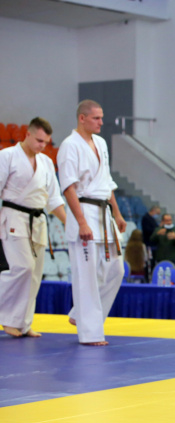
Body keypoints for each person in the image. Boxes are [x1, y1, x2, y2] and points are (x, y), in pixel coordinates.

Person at [58, 99, 127, 346]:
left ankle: (80, 314)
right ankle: (90, 333)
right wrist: (81, 222)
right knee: (86, 276)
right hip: (85, 211)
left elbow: (107, 182)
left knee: (116, 270)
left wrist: (117, 213)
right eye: (96, 118)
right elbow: (68, 187)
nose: (101, 122)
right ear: (82, 118)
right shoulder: (69, 146)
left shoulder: (100, 143)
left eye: (101, 117)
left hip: (104, 213)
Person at [0, 117, 66, 337]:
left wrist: (69, 222)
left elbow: (54, 199)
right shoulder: (7, 156)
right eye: (38, 140)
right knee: (23, 267)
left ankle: (23, 323)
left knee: (35, 274)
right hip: (14, 218)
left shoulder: (46, 162)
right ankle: (7, 318)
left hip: (38, 221)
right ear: (27, 134)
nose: (42, 146)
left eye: (46, 142)